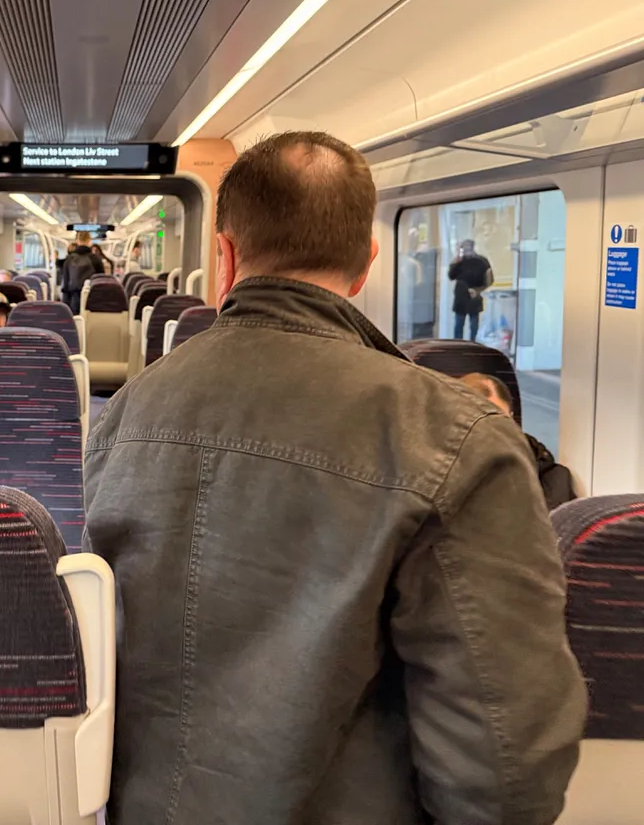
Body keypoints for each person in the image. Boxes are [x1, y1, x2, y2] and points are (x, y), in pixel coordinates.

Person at [84, 131, 585, 825]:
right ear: (368, 262)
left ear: (224, 257)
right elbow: (503, 758)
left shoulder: (129, 411)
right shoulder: (456, 436)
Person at [457, 372, 577, 510]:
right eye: (477, 423)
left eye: (499, 421)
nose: (490, 434)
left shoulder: (550, 480)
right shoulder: (434, 483)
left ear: (512, 420)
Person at [449, 238, 493, 340]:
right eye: (464, 248)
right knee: (458, 327)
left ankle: (473, 347)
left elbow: (489, 281)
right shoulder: (459, 262)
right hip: (460, 298)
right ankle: (457, 348)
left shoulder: (482, 262)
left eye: (467, 247)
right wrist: (455, 262)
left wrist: (478, 290)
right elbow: (451, 276)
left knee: (474, 328)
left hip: (474, 298)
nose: (466, 250)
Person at [60, 231, 103, 314]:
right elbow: (101, 282)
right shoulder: (95, 259)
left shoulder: (69, 259)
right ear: (90, 241)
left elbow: (65, 283)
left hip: (73, 299)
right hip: (92, 300)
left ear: (77, 241)